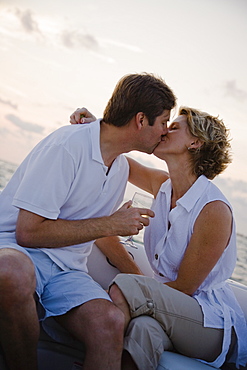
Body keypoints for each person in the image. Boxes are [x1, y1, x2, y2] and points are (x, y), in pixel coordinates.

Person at [0, 73, 176, 370]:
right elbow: (28, 232)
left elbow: (173, 185)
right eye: (163, 122)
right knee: (11, 271)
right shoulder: (67, 147)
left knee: (109, 323)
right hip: (18, 251)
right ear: (140, 120)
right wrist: (112, 224)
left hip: (68, 271)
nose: (165, 132)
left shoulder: (120, 164)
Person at [72, 106, 247, 370]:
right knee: (143, 330)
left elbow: (186, 288)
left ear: (195, 142)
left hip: (211, 326)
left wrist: (135, 283)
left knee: (125, 285)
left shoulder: (213, 209)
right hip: (169, 310)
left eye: (174, 127)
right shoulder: (163, 187)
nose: (164, 130)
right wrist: (95, 127)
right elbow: (122, 161)